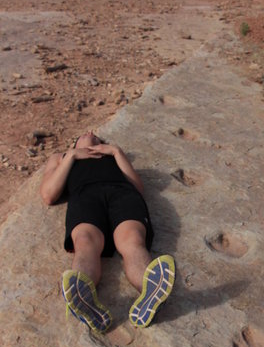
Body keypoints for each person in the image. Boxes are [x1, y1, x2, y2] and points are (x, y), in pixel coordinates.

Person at [40, 130, 175, 333]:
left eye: (96, 136)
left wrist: (116, 151)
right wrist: (73, 156)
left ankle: (150, 293)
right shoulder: (60, 157)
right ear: (75, 142)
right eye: (84, 134)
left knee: (132, 240)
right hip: (85, 196)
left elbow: (137, 187)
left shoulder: (111, 154)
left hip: (122, 194)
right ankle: (82, 298)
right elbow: (49, 195)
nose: (91, 132)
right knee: (85, 241)